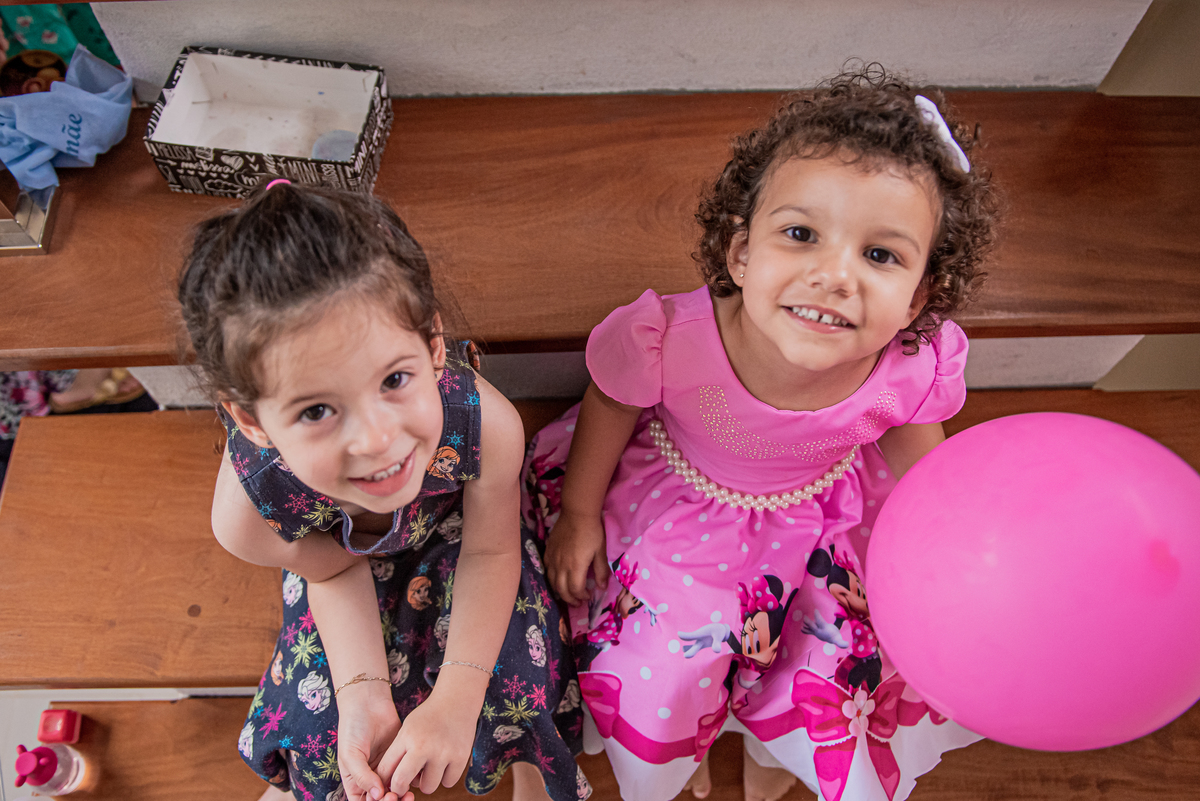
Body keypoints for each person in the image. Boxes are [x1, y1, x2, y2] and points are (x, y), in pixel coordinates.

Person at [530, 65, 1000, 801]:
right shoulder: (670, 338)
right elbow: (612, 404)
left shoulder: (907, 366)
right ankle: (680, 745)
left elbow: (915, 441)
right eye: (801, 234)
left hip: (825, 516)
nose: (834, 275)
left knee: (828, 660)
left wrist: (955, 532)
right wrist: (581, 512)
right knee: (675, 659)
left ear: (920, 297)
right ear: (742, 254)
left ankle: (776, 752)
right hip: (684, 509)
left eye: (880, 255)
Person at [178, 181, 587, 801]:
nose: (376, 440)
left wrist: (455, 697)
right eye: (317, 410)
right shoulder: (248, 515)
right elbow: (335, 572)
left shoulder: (482, 424)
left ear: (433, 347)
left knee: (521, 684)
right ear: (253, 422)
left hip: (466, 543)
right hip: (339, 570)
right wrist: (362, 688)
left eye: (396, 379)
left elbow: (492, 553)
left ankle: (529, 766)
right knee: (323, 732)